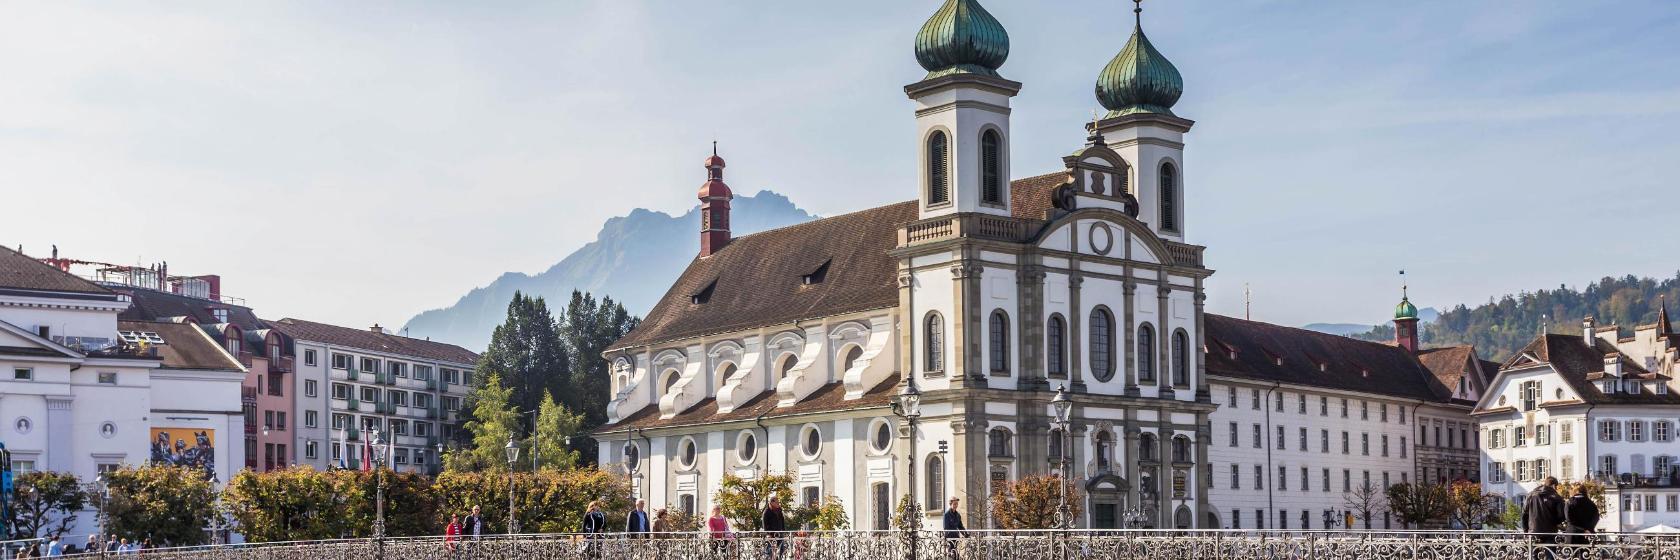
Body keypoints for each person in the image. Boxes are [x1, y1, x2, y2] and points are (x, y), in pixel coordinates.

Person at [1522, 476, 1566, 558]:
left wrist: (1526, 530)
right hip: (1550, 531)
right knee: (1550, 555)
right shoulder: (1556, 497)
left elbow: (1524, 514)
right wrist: (1555, 523)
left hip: (1533, 531)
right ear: (1553, 485)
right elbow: (1562, 516)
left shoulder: (1530, 495)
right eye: (1556, 487)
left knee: (1533, 555)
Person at [762, 495, 788, 560]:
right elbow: (764, 524)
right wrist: (768, 534)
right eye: (777, 502)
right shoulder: (767, 511)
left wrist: (783, 531)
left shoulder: (779, 510)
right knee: (770, 552)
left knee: (781, 551)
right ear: (772, 503)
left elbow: (782, 521)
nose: (778, 504)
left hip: (780, 534)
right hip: (771, 535)